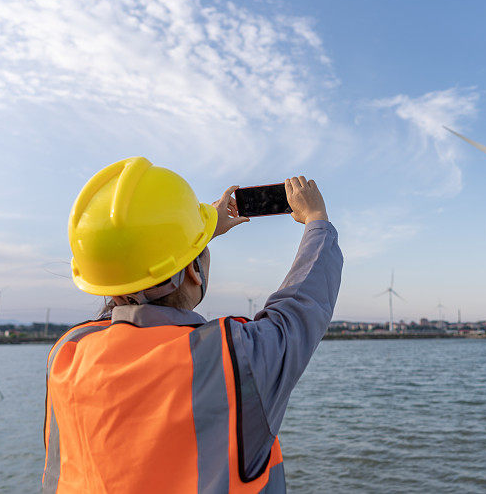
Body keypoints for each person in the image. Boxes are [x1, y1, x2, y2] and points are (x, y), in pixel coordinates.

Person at [42, 157, 342, 493]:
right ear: (193, 272)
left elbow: (124, 281)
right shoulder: (234, 359)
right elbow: (301, 308)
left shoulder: (68, 356)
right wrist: (317, 220)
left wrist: (194, 236)